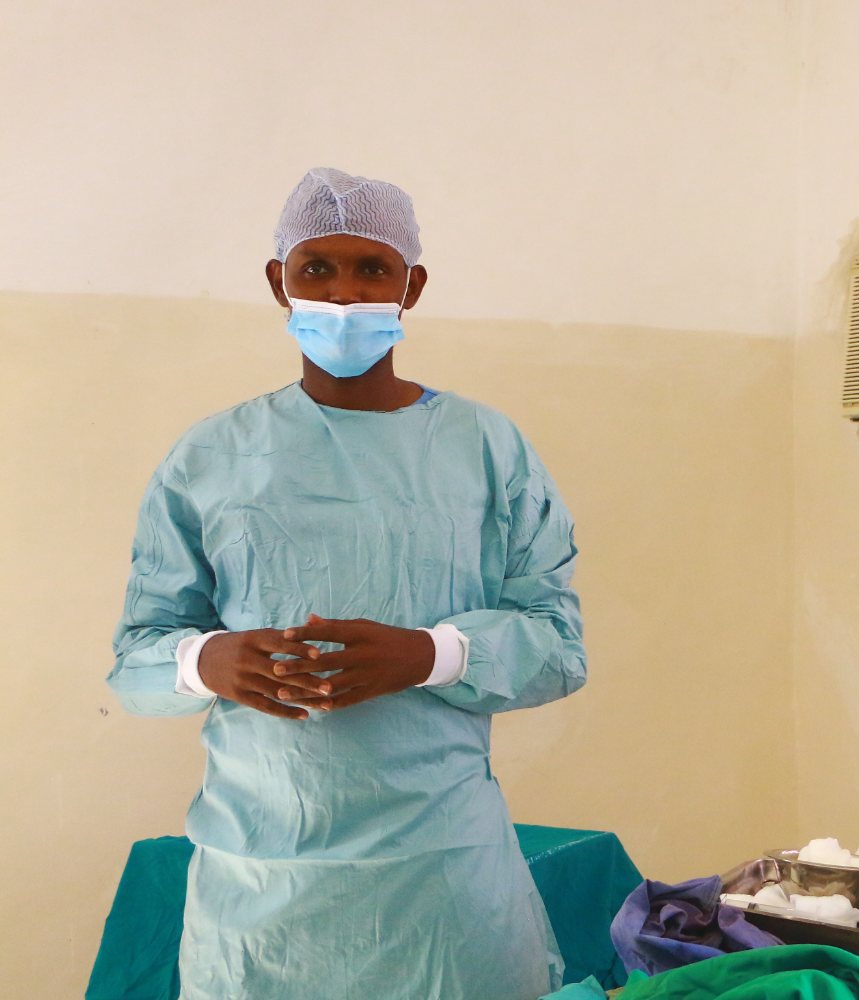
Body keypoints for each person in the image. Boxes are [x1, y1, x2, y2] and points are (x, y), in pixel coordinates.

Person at [109, 167, 586, 1000]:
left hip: (441, 877)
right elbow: (137, 658)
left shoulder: (485, 447)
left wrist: (431, 654)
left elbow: (557, 645)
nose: (343, 293)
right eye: (317, 268)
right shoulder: (212, 456)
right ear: (279, 280)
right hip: (262, 886)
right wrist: (205, 661)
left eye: (371, 268)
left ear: (411, 286)